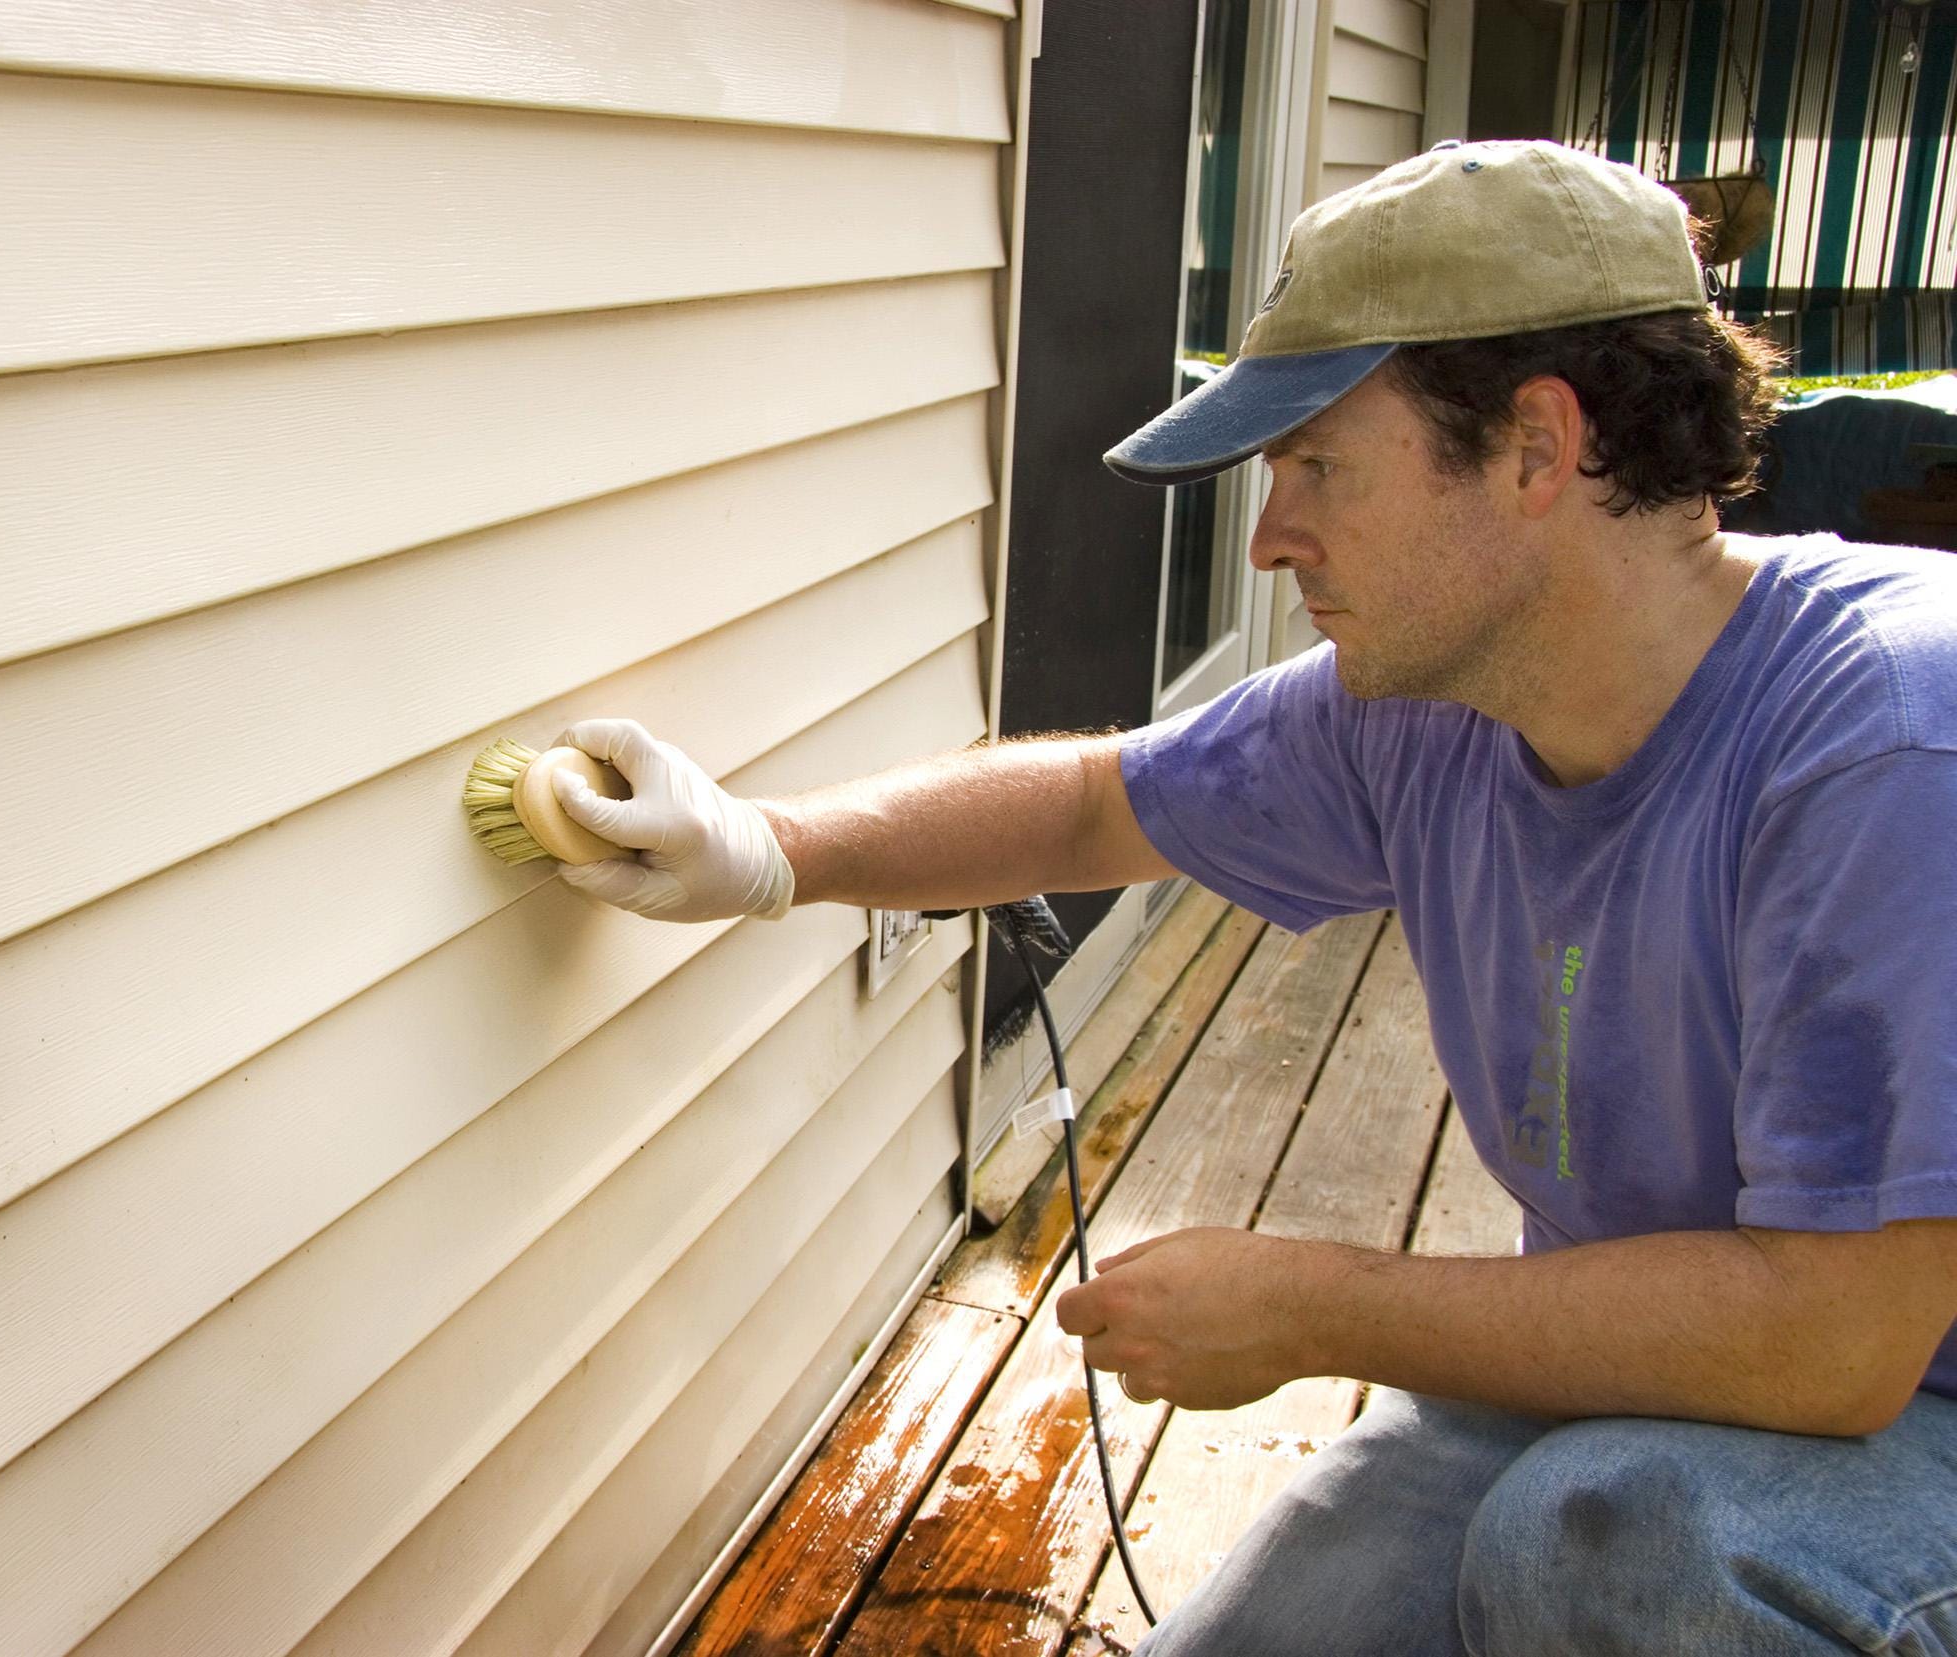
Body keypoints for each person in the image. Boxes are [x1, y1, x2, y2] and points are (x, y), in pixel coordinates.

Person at [547, 140, 1957, 1655]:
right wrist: (765, 849)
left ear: (1539, 451)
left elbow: (1835, 1340)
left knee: (1611, 1546)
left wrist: (1311, 1306)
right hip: (1674, 1383)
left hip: (1883, 1409)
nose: (1273, 532)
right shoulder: (1428, 704)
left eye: (1319, 466)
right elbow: (1096, 799)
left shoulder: (1887, 736)